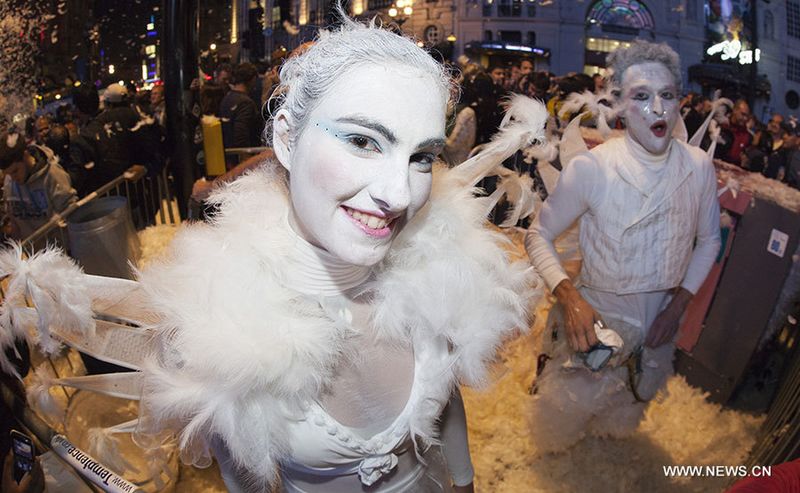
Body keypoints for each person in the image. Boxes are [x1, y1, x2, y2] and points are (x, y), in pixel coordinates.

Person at [134, 9, 535, 493]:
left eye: (420, 157)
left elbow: (445, 403)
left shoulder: (442, 269)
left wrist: (465, 483)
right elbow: (246, 476)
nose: (400, 195)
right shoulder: (217, 326)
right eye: (363, 140)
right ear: (285, 137)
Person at [525, 40, 721, 453]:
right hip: (596, 319)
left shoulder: (699, 168)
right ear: (618, 104)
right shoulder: (592, 169)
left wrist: (680, 303)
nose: (657, 109)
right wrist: (570, 298)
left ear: (679, 101)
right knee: (566, 411)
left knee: (633, 399)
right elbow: (536, 235)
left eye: (667, 96)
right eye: (641, 96)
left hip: (660, 321)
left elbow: (710, 241)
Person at [0, 131, 77, 243]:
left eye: (15, 171)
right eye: (8, 174)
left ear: (25, 155)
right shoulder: (9, 181)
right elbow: (14, 220)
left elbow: (71, 212)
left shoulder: (52, 174)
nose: (13, 177)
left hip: (60, 251)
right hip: (32, 255)